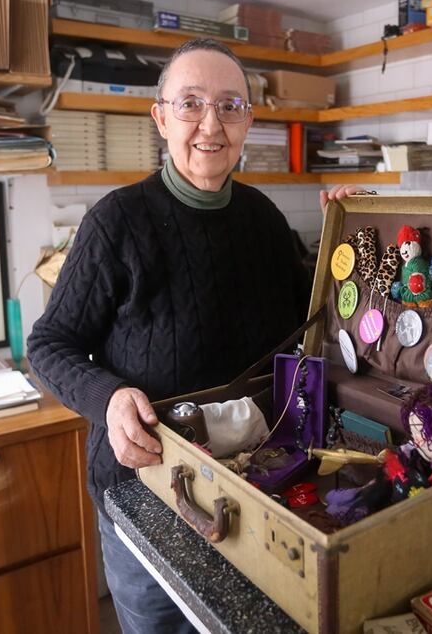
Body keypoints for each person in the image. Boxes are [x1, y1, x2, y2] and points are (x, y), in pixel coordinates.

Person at [27, 38, 359, 634]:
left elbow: (312, 321)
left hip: (256, 483)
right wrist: (107, 398)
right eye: (191, 104)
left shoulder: (263, 220)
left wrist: (352, 239)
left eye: (231, 106)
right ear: (161, 118)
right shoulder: (115, 221)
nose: (212, 124)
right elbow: (49, 344)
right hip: (147, 486)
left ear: (249, 122)